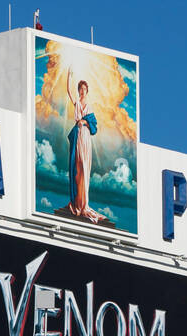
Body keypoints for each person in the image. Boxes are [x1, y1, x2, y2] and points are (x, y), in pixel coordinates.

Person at [63, 67, 106, 224]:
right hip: (78, 136)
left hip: (85, 136)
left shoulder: (89, 105)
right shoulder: (76, 103)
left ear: (87, 91)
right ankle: (77, 202)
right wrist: (69, 75)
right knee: (77, 168)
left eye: (84, 89)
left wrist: (85, 121)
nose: (82, 92)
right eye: (80, 89)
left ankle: (83, 203)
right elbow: (68, 90)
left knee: (84, 167)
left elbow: (94, 125)